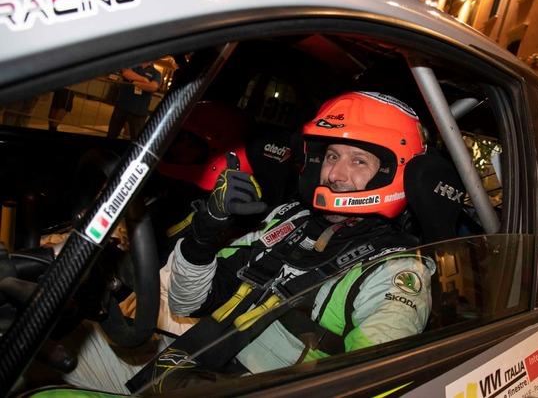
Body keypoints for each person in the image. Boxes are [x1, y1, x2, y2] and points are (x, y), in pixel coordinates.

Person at [64, 92, 435, 394]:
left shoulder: (394, 270)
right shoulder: (291, 218)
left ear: (393, 172)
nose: (336, 174)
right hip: (190, 365)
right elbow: (186, 303)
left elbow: (373, 385)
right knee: (54, 341)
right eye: (332, 156)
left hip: (244, 386)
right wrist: (205, 234)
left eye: (359, 162)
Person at [107, 62, 160, 139]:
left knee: (137, 139)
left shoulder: (156, 73)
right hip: (121, 106)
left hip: (139, 112)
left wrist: (133, 81)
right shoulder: (132, 64)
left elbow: (153, 87)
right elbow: (126, 73)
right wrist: (144, 80)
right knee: (111, 135)